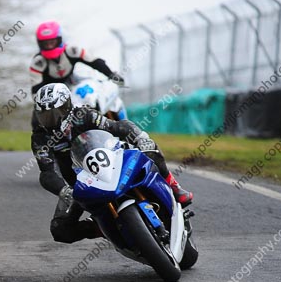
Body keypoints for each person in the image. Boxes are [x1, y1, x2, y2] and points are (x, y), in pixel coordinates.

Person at [31, 83, 193, 244]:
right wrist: (63, 190)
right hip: (78, 187)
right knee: (60, 230)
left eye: (54, 114)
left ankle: (174, 186)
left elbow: (116, 126)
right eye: (44, 116)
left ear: (67, 107)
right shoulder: (40, 138)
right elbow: (47, 173)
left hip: (110, 164)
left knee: (150, 150)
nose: (50, 121)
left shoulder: (83, 115)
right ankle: (103, 228)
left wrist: (140, 138)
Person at [29, 20, 124, 96]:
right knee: (39, 118)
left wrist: (111, 74)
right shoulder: (37, 62)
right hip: (51, 96)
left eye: (52, 42)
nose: (49, 46)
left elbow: (95, 62)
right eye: (46, 44)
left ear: (59, 39)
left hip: (73, 86)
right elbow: (36, 88)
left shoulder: (72, 50)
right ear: (40, 43)